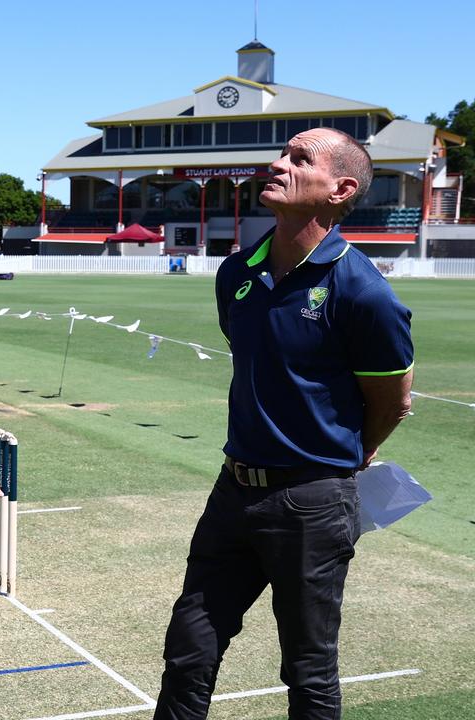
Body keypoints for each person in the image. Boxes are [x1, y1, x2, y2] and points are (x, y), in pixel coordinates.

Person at [154, 127, 414, 720]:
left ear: (340, 189)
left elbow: (391, 400)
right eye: (282, 154)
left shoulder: (362, 291)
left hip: (314, 501)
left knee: (308, 667)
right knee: (189, 650)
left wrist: (340, 461)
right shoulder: (236, 273)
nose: (278, 164)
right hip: (232, 492)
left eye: (300, 159)